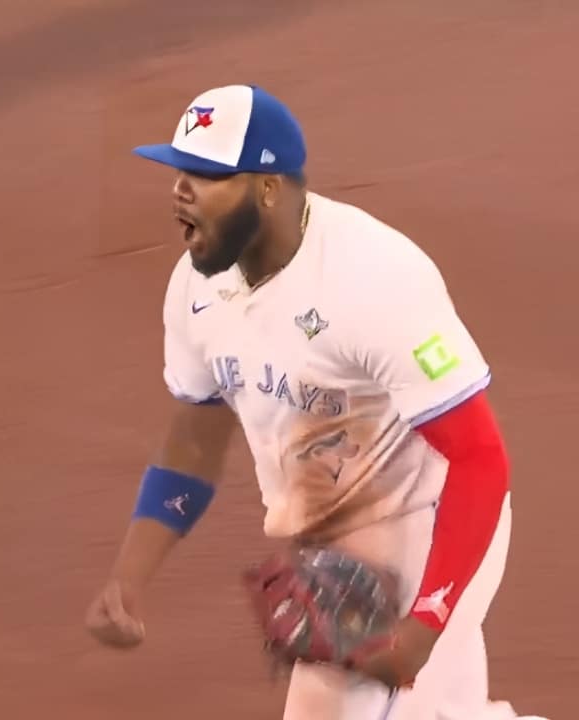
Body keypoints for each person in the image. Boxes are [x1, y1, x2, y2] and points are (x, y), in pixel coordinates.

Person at [83, 84, 546, 719]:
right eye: (180, 170)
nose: (181, 190)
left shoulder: (375, 280)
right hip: (333, 551)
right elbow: (194, 442)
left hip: (431, 528)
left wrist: (422, 625)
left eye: (208, 175)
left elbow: (479, 460)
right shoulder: (195, 289)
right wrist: (128, 579)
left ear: (268, 189)